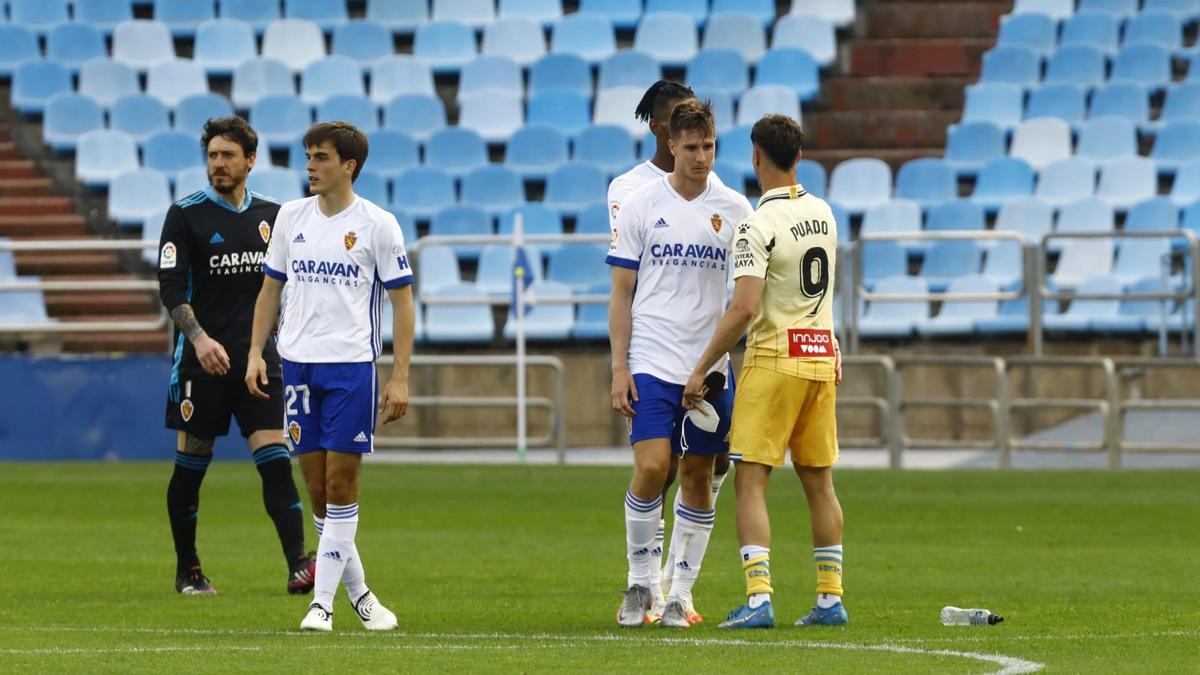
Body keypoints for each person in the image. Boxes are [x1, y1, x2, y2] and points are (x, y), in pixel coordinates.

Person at [246, 121, 415, 632]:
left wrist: (400, 375)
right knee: (318, 488)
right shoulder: (290, 218)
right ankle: (362, 595)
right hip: (296, 364)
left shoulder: (378, 225)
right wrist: (256, 351)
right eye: (308, 157)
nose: (310, 167)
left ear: (349, 166)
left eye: (320, 157)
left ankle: (321, 604)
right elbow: (270, 291)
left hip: (350, 368)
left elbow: (402, 304)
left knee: (343, 483)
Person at [681, 114, 846, 629]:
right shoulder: (824, 213)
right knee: (820, 485)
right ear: (798, 157)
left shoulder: (757, 224)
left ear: (756, 158)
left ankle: (758, 598)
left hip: (775, 360)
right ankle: (829, 599)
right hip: (820, 357)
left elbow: (745, 308)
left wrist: (701, 366)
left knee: (750, 483)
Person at [608, 99, 753, 629]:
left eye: (709, 146)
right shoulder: (642, 205)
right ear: (671, 145)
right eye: (690, 147)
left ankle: (679, 595)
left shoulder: (737, 209)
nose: (701, 156)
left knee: (698, 474)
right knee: (651, 467)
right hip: (650, 356)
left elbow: (746, 296)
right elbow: (621, 292)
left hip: (709, 366)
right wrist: (619, 367)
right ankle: (640, 583)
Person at [158, 116, 314, 597]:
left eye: (228, 156)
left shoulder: (275, 215)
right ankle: (189, 569)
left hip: (258, 362)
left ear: (250, 160)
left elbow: (285, 287)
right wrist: (201, 340)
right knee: (192, 464)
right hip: (200, 363)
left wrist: (269, 347)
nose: (218, 164)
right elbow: (169, 287)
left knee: (274, 460)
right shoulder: (184, 215)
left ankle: (299, 566)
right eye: (212, 156)